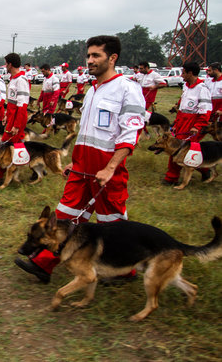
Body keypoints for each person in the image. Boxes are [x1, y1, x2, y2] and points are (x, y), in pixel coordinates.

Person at [15, 35, 146, 283]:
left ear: (113, 58)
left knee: (113, 224)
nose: (90, 60)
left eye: (96, 55)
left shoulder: (128, 89)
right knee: (63, 217)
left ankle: (123, 271)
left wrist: (110, 168)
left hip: (107, 172)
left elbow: (130, 135)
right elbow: (86, 134)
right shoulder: (92, 91)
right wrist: (75, 162)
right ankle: (44, 264)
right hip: (81, 169)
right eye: (88, 55)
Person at [163, 62, 212, 185]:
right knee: (183, 150)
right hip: (182, 121)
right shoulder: (186, 86)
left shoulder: (202, 89)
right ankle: (204, 170)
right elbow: (183, 108)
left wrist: (197, 126)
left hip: (192, 123)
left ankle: (172, 177)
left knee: (179, 149)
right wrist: (176, 124)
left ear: (190, 73)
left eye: (183, 72)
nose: (181, 75)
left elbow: (206, 111)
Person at [2, 53, 30, 144]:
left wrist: (17, 125)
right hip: (11, 117)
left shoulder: (21, 80)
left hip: (17, 119)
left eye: (6, 64)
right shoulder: (13, 79)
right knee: (11, 145)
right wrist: (7, 115)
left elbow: (22, 105)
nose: (5, 66)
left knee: (9, 144)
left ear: (10, 65)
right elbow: (11, 102)